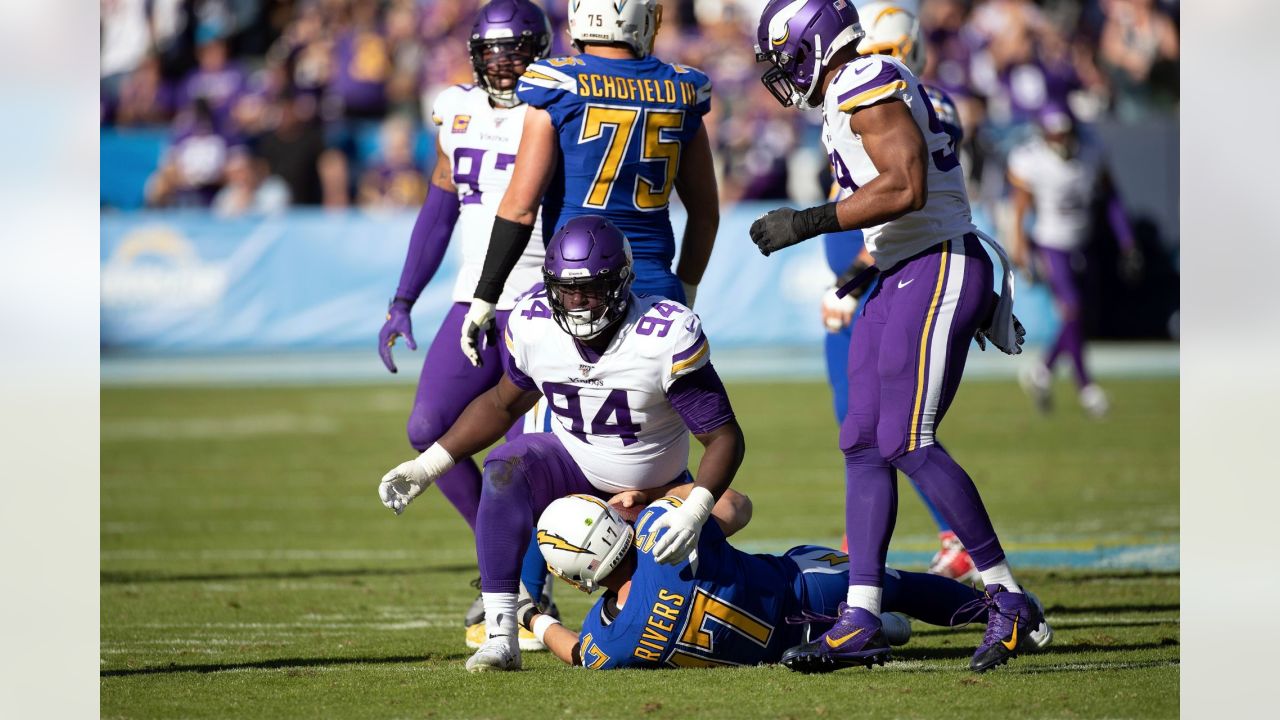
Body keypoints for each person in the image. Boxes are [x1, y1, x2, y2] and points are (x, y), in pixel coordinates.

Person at [750, 0, 1039, 673]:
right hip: (902, 265)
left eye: (785, 54)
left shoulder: (863, 80)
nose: (781, 72)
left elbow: (905, 185)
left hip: (938, 262)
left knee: (909, 439)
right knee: (862, 439)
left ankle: (1007, 597)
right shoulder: (863, 86)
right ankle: (860, 616)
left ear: (815, 43)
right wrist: (853, 278)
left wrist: (808, 221)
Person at [377, 216, 748, 673]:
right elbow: (501, 404)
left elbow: (723, 436)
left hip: (654, 495)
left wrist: (693, 512)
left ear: (622, 282)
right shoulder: (536, 325)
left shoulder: (661, 336)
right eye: (567, 290)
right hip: (573, 468)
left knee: (710, 540)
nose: (578, 303)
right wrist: (428, 466)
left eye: (591, 289)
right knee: (504, 467)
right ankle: (500, 636)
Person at [376, 0, 559, 651]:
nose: (503, 63)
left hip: (546, 295)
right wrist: (403, 298)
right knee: (428, 427)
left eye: (515, 50)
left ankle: (520, 589)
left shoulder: (561, 103)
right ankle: (506, 561)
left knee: (519, 449)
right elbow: (439, 206)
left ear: (539, 49)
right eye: (492, 51)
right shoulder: (455, 108)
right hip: (473, 299)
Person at [457, 0, 720, 372]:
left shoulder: (556, 82)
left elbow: (520, 206)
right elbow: (706, 214)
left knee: (554, 418)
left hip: (574, 289)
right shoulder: (682, 88)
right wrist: (686, 287)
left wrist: (485, 295)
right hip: (654, 287)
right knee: (657, 425)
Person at [516, 494, 1052, 669]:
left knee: (885, 604)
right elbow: (737, 505)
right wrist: (661, 497)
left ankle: (882, 631)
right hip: (805, 590)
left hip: (780, 648)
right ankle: (1003, 611)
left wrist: (533, 617)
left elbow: (578, 653)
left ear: (576, 577)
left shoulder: (611, 639)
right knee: (894, 582)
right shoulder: (660, 529)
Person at [821, 2, 978, 585]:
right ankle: (863, 556)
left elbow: (903, 194)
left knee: (902, 428)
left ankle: (962, 544)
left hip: (895, 274)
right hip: (870, 278)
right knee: (862, 428)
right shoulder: (852, 96)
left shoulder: (901, 96)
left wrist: (852, 277)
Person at [1008, 105, 1141, 418]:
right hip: (1050, 244)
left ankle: (1041, 371)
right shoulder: (1032, 160)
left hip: (1082, 242)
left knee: (1078, 317)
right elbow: (1021, 209)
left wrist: (1127, 240)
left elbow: (1111, 198)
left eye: (1064, 133)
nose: (1060, 140)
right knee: (1073, 309)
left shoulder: (1091, 153)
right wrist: (1020, 247)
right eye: (1054, 134)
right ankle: (1086, 388)